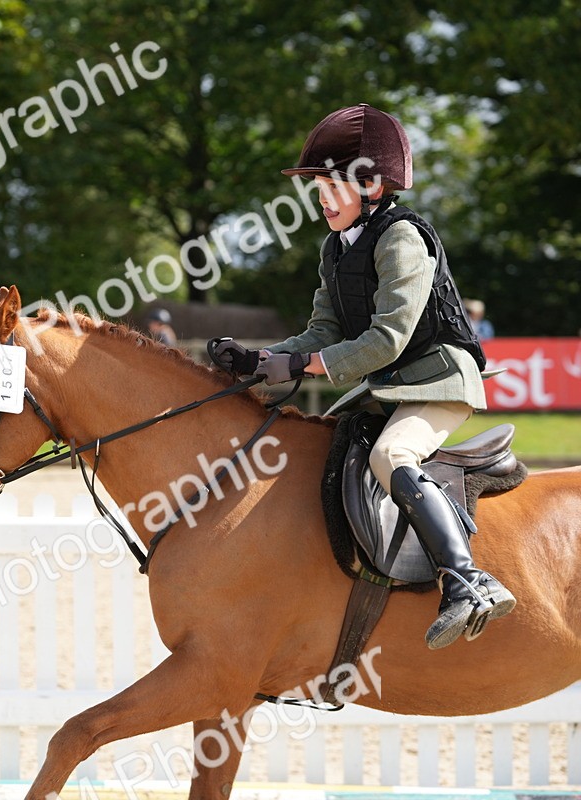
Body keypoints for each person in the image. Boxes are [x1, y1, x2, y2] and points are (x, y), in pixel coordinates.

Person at [211, 104, 514, 650]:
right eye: (318, 188)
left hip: (440, 379)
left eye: (331, 186)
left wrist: (302, 365)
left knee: (391, 456)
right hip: (393, 384)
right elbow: (322, 330)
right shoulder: (335, 247)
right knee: (319, 446)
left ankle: (469, 580)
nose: (321, 199)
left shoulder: (402, 239)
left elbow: (388, 339)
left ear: (371, 186)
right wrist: (259, 359)